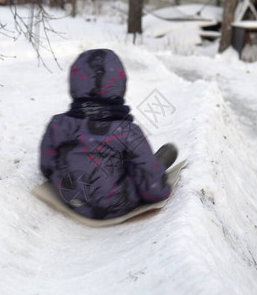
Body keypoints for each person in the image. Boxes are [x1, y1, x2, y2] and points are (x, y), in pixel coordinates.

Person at [40, 49, 177, 220]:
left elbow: (46, 166)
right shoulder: (127, 132)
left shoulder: (59, 125)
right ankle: (160, 163)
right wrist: (160, 186)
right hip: (115, 205)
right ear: (120, 85)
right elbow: (153, 191)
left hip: (71, 198)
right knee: (142, 165)